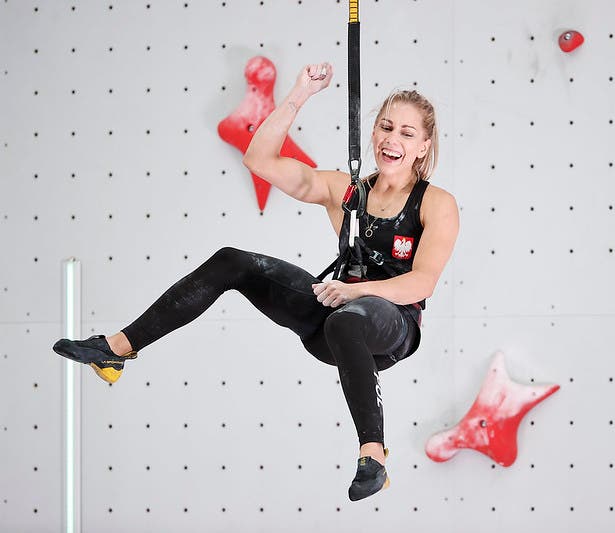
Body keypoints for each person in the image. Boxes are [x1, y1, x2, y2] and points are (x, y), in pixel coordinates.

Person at [53, 62, 459, 501]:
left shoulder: (436, 204)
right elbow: (258, 159)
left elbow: (422, 283)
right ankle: (116, 349)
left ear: (423, 147)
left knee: (349, 319)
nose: (391, 140)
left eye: (406, 133)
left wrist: (355, 291)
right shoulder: (346, 191)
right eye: (385, 127)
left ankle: (374, 455)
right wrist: (300, 94)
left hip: (391, 326)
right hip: (334, 314)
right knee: (233, 261)